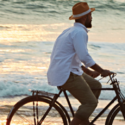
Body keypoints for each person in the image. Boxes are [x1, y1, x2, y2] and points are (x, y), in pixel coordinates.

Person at [47, 2, 113, 125]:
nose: (91, 18)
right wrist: (101, 70)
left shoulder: (70, 31)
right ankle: (78, 122)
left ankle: (83, 120)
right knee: (91, 102)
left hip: (67, 70)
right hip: (66, 74)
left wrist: (88, 72)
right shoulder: (79, 33)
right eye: (90, 15)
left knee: (96, 85)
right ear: (84, 17)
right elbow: (84, 57)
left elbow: (71, 58)